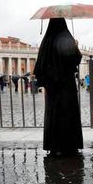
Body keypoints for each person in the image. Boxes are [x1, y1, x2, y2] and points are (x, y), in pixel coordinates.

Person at [33, 18, 83, 157]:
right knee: (68, 113)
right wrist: (75, 45)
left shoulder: (47, 41)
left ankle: (54, 146)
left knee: (54, 114)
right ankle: (69, 145)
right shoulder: (67, 38)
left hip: (52, 85)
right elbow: (76, 59)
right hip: (66, 83)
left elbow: (40, 65)